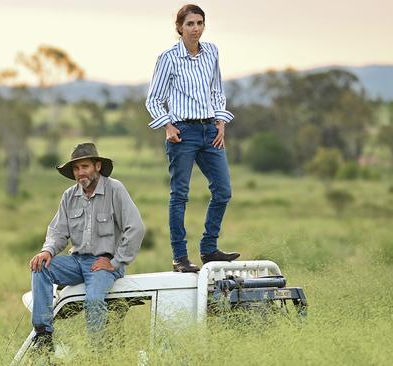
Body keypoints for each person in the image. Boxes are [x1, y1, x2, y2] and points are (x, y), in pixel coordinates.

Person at [145, 4, 240, 273]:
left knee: (223, 191)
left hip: (210, 130)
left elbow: (217, 90)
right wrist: (167, 127)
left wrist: (221, 121)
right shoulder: (168, 58)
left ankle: (210, 249)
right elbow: (153, 99)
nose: (195, 28)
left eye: (199, 23)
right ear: (179, 28)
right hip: (182, 134)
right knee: (180, 195)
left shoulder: (212, 52)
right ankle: (180, 258)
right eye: (190, 24)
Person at [28, 142, 145, 350]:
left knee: (93, 300)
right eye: (76, 168)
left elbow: (135, 228)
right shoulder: (69, 196)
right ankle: (43, 335)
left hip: (104, 263)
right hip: (76, 261)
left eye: (85, 167)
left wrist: (115, 261)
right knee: (40, 267)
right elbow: (58, 232)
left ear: (97, 166)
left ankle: (97, 352)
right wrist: (47, 250)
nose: (80, 173)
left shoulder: (115, 189)